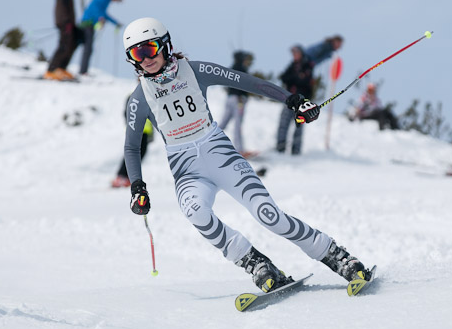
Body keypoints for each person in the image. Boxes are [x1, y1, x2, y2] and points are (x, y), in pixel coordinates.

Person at [121, 17, 373, 293]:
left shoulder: (195, 70)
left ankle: (336, 255)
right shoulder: (139, 98)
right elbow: (132, 147)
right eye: (137, 53)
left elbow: (247, 82)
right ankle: (255, 263)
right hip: (187, 169)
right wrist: (137, 186)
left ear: (165, 45)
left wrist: (293, 100)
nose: (145, 59)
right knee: (196, 213)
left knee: (269, 215)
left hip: (219, 154)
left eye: (149, 49)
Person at [276, 45, 315, 154]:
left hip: (302, 102)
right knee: (284, 123)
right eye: (293, 53)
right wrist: (296, 77)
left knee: (299, 125)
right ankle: (280, 146)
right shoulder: (292, 66)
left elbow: (306, 82)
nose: (294, 55)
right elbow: (284, 77)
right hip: (290, 100)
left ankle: (296, 150)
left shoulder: (307, 66)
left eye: (296, 53)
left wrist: (296, 78)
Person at [112, 96, 155, 188]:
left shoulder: (149, 95)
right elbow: (127, 113)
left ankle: (128, 177)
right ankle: (121, 176)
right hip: (137, 130)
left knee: (141, 154)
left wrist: (151, 135)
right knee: (132, 153)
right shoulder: (134, 95)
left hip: (146, 131)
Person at [218, 51, 254, 156]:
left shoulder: (231, 68)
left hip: (229, 98)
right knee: (238, 125)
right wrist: (241, 97)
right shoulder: (242, 69)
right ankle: (240, 150)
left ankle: (210, 143)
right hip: (238, 100)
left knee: (223, 124)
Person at [78, 0, 123, 76]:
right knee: (88, 48)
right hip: (88, 23)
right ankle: (83, 71)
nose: (115, 1)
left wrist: (115, 23)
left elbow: (103, 13)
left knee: (88, 48)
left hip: (90, 24)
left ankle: (83, 71)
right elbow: (95, 8)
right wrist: (100, 18)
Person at [44, 0, 79, 81]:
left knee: (70, 44)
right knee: (64, 45)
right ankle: (51, 70)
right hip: (64, 20)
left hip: (67, 20)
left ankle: (61, 68)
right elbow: (63, 5)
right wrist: (67, 20)